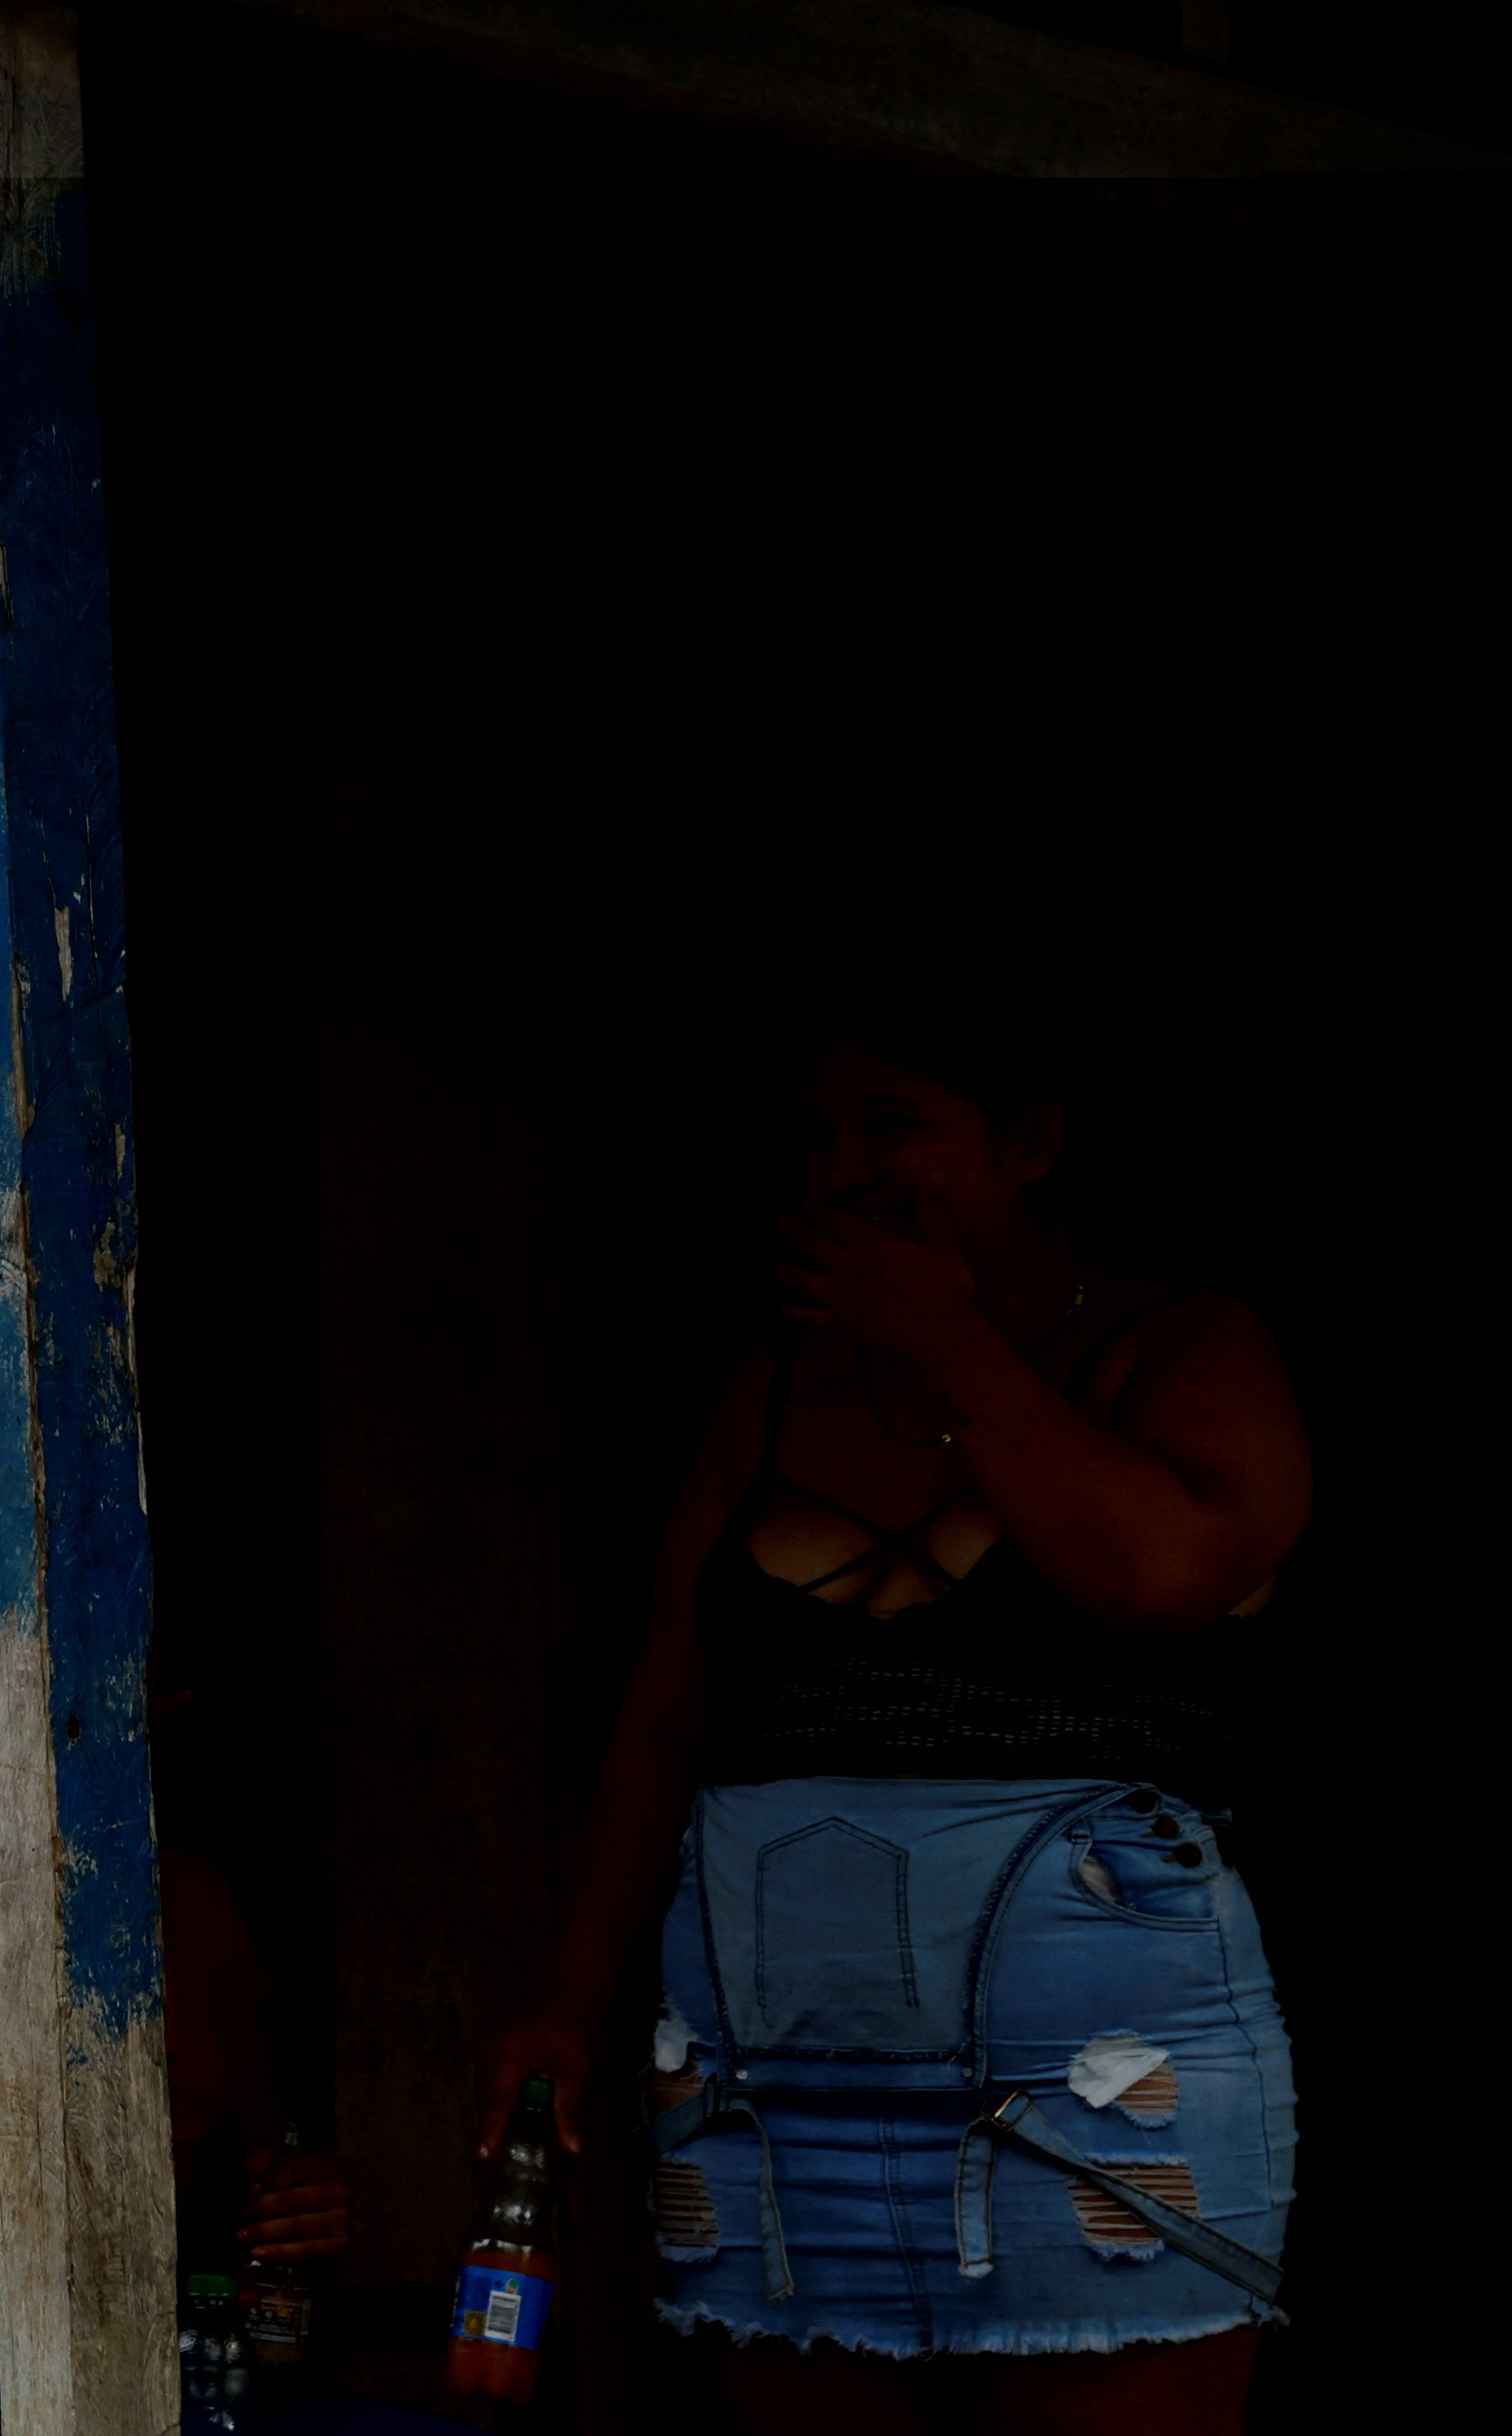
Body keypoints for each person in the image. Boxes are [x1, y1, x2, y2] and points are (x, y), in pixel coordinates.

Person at [480, 1010, 1309, 2433]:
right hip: (767, 2070)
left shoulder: (1182, 1348)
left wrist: (949, 1340)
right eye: (816, 1136)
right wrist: (566, 1991)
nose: (841, 1168)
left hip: (1105, 2077)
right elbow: (665, 1714)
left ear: (1028, 1142)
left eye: (893, 1125)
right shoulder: (774, 1397)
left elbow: (1169, 1575)